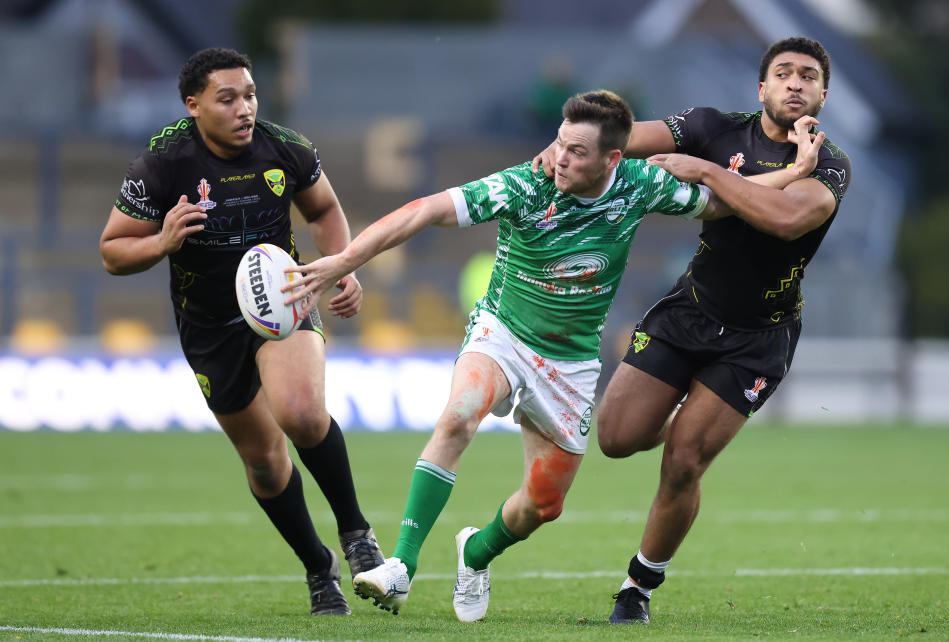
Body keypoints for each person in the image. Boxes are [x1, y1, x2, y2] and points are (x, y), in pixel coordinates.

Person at [282, 90, 723, 622]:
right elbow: (425, 211)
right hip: (503, 334)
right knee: (459, 415)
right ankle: (401, 565)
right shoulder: (524, 185)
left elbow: (723, 203)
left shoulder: (640, 185)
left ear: (612, 159)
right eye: (560, 144)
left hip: (571, 364)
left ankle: (476, 552)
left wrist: (792, 184)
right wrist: (344, 260)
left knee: (543, 505)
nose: (560, 158)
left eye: (577, 152)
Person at [533, 37, 851, 625]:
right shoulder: (712, 126)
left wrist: (704, 171)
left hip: (759, 336)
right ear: (762, 88)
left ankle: (637, 588)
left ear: (823, 95)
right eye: (783, 73)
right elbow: (620, 136)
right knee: (618, 437)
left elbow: (785, 219)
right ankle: (689, 409)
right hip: (689, 310)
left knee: (683, 461)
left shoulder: (829, 164)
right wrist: (563, 147)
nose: (795, 83)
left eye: (808, 76)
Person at [98, 47, 383, 616]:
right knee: (264, 461)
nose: (243, 107)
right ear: (194, 104)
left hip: (283, 299)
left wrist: (341, 265)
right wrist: (160, 242)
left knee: (301, 413)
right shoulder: (162, 162)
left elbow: (324, 210)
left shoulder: (287, 149)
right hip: (208, 325)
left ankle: (356, 535)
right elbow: (112, 251)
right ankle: (318, 567)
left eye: (250, 94)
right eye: (227, 98)